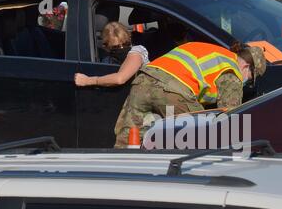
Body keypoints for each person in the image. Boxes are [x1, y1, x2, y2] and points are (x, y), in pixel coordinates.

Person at [113, 41, 266, 148]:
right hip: (173, 89)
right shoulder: (232, 71)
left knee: (128, 138)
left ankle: (119, 176)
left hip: (144, 79)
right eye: (251, 78)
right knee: (200, 138)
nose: (247, 82)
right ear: (247, 66)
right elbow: (228, 116)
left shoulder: (213, 51)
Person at [74, 22, 149, 87]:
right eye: (116, 47)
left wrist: (88, 81)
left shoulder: (138, 51)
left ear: (129, 39)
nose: (122, 48)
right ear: (106, 47)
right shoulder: (107, 60)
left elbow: (120, 79)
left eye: (126, 44)